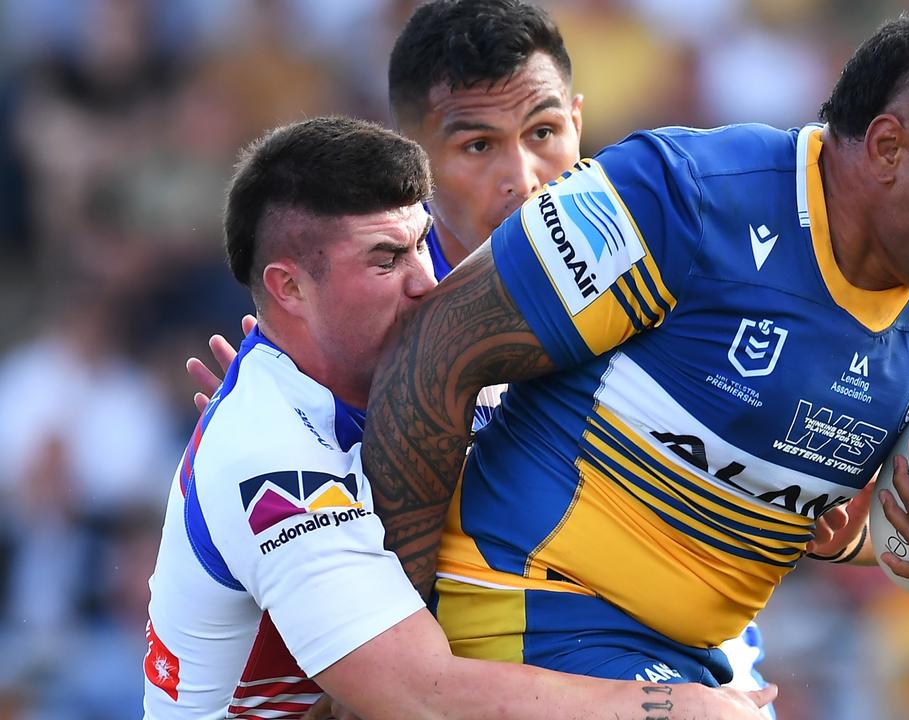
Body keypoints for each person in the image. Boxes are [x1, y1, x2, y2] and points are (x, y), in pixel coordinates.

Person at [361, 8, 909, 689]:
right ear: (886, 150)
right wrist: (403, 658)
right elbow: (431, 359)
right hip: (533, 604)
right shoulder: (680, 198)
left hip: (706, 651)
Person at [187, 0, 781, 703]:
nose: (523, 177)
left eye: (544, 132)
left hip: (658, 649)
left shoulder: (657, 282)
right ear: (414, 156)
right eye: (478, 146)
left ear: (579, 121)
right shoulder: (368, 329)